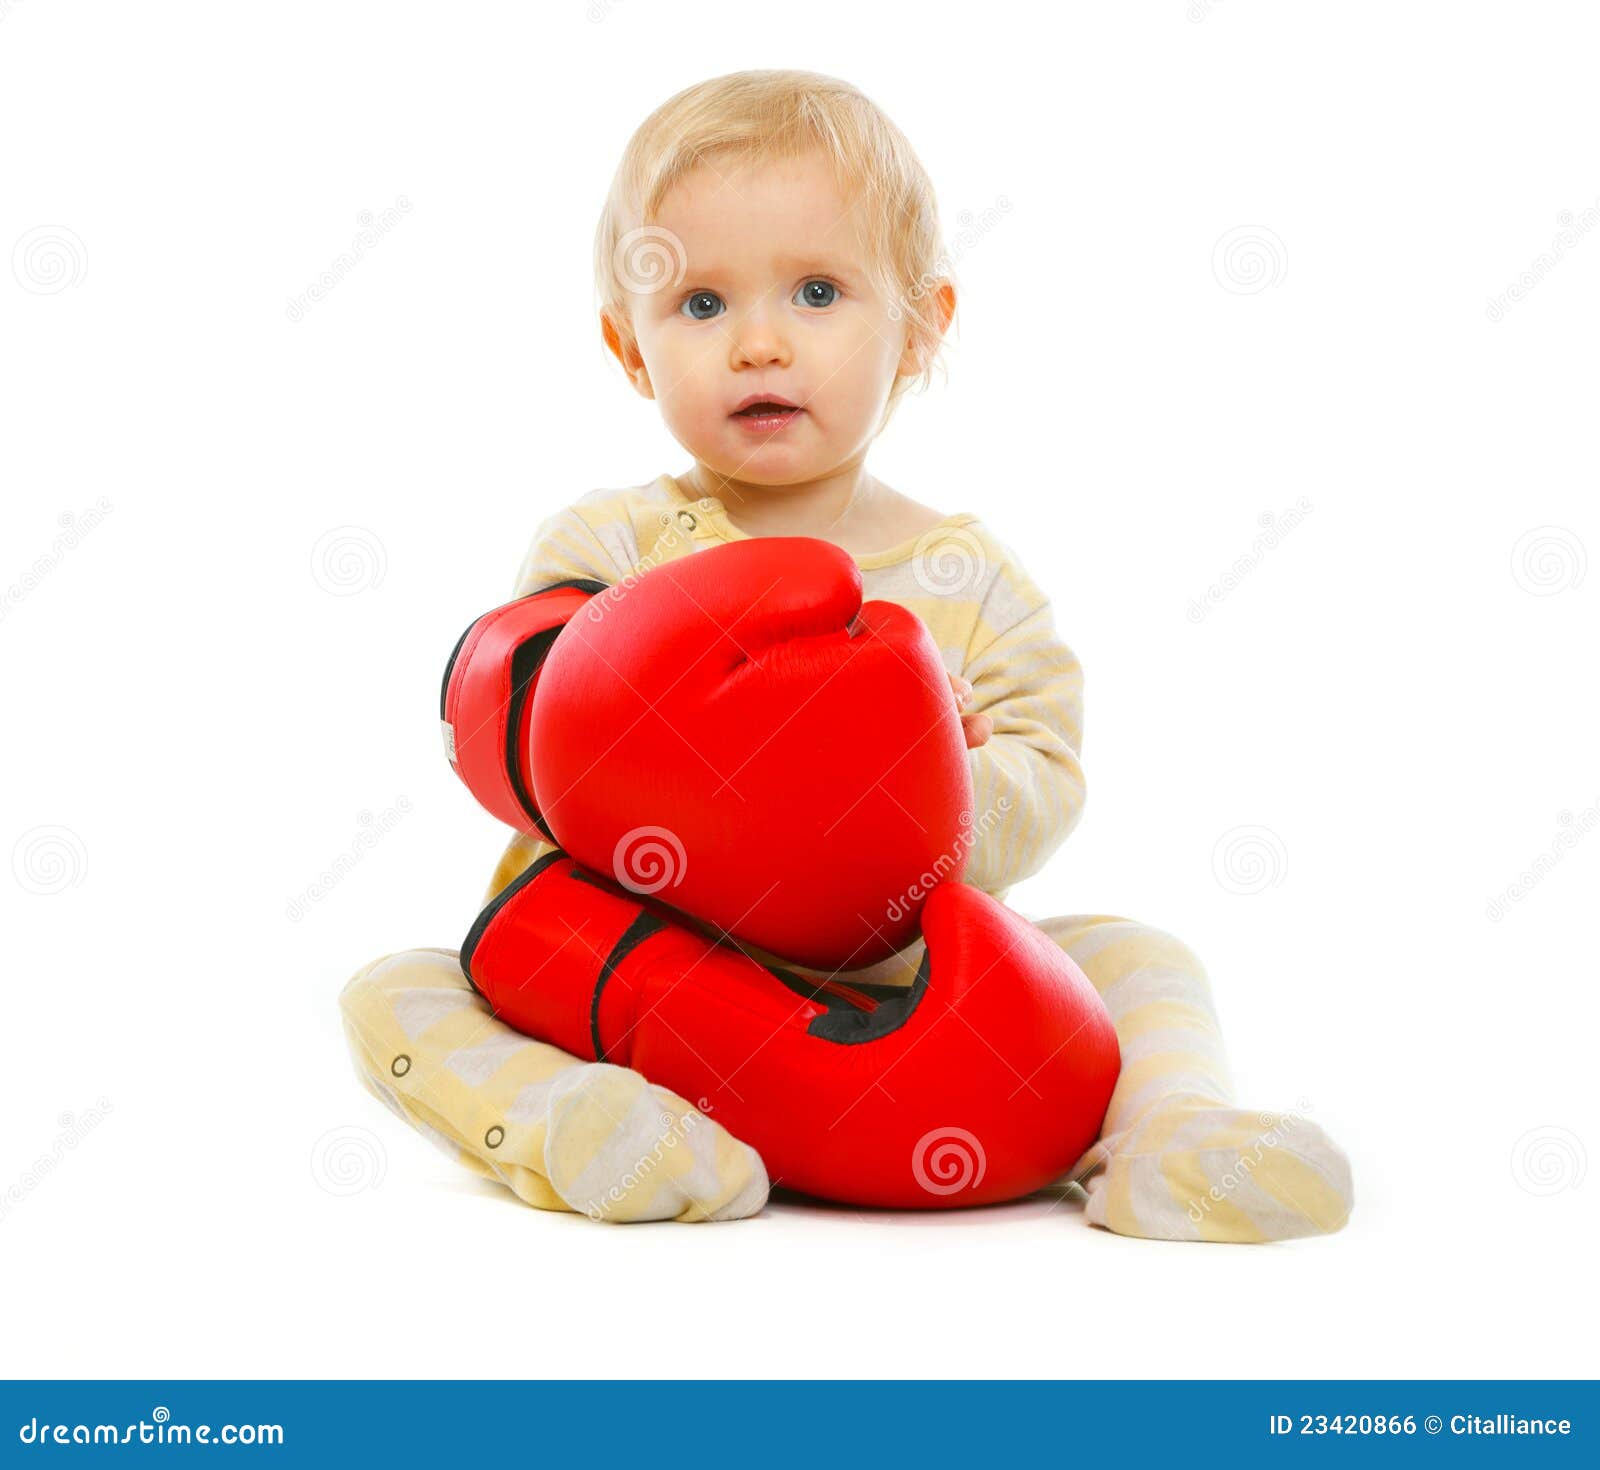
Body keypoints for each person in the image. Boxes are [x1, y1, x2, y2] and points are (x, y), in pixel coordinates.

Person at [340, 69, 1353, 1242]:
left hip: (903, 993)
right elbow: (536, 735)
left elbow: (1047, 775)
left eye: (817, 292)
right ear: (630, 347)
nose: (759, 344)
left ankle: (1175, 1141)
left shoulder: (973, 583)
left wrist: (939, 779)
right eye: (701, 305)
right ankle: (585, 1126)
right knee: (395, 994)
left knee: (1139, 955)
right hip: (633, 968)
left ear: (922, 325)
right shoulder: (606, 545)